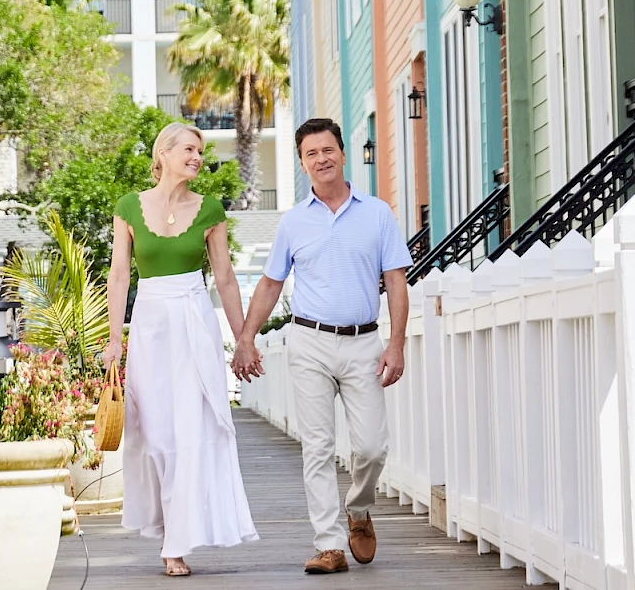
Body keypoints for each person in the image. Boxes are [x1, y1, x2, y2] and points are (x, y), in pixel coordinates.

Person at [231, 117, 413, 575]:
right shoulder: (293, 222)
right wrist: (246, 339)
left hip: (364, 342)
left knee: (371, 447)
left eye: (327, 150)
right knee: (316, 446)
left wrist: (396, 344)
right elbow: (270, 285)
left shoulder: (377, 214)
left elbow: (395, 281)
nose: (321, 159)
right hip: (308, 340)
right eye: (311, 154)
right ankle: (329, 544)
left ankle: (360, 507)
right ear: (302, 162)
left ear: (342, 153)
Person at [102, 122, 258, 577]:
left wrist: (243, 339)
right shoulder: (129, 206)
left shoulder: (209, 209)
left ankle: (176, 544)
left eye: (200, 150)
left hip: (194, 321)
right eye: (189, 148)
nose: (197, 156)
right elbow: (118, 276)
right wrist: (115, 339)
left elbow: (225, 278)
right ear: (164, 153)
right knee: (156, 434)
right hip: (150, 326)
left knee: (189, 430)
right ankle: (168, 523)